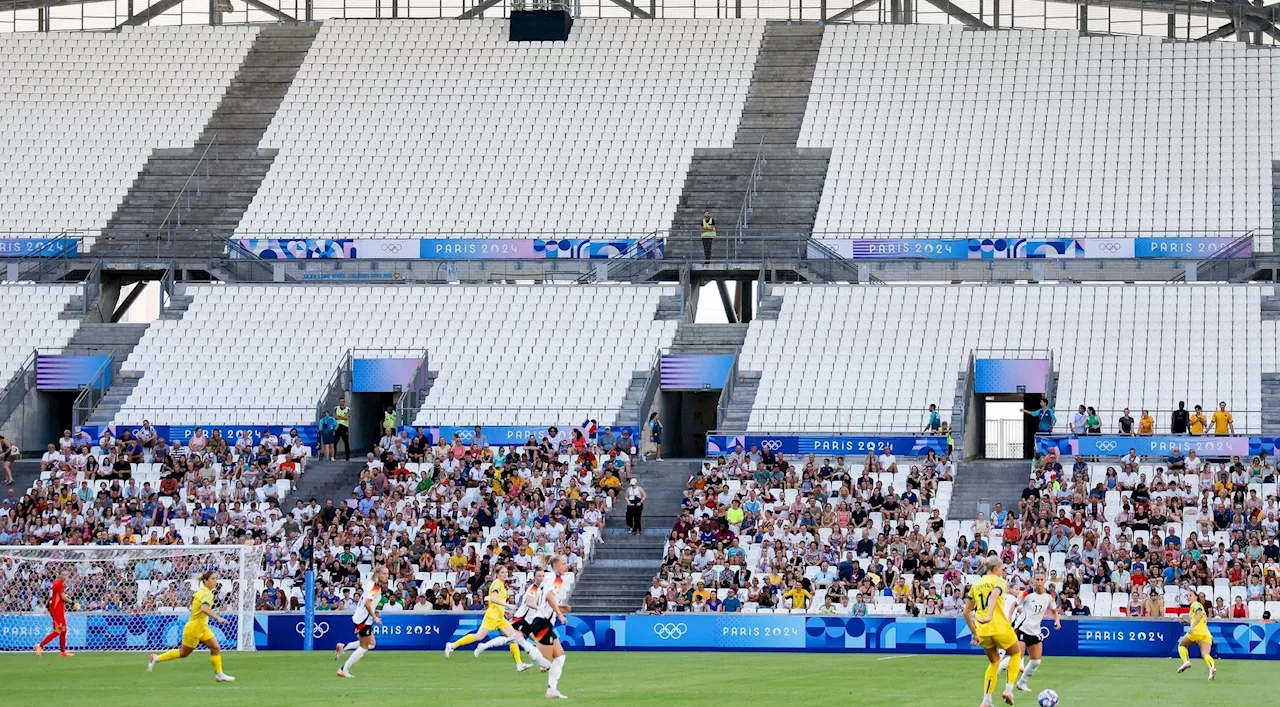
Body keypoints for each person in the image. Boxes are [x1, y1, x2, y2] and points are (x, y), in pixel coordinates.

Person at [443, 566, 544, 672]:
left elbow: (496, 602)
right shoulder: (497, 584)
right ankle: (452, 645)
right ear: (497, 574)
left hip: (499, 617)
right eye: (502, 572)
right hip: (492, 616)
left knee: (513, 637)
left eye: (506, 572)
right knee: (479, 636)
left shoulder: (501, 584)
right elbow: (494, 599)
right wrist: (508, 606)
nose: (505, 574)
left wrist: (505, 611)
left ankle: (519, 664)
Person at [148, 571, 235, 682]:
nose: (215, 581)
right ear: (205, 581)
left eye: (216, 578)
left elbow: (192, 601)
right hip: (194, 628)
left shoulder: (200, 592)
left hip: (203, 627)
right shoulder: (208, 594)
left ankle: (219, 674)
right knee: (183, 653)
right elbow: (204, 608)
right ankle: (156, 658)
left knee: (215, 647)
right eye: (213, 578)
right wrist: (218, 618)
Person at [965, 556, 1021, 707]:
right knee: (1016, 653)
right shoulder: (999, 581)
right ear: (996, 568)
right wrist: (990, 614)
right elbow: (994, 595)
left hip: (983, 630)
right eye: (1001, 569)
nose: (1002, 572)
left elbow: (966, 612)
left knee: (994, 662)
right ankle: (1009, 689)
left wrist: (975, 632)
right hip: (999, 626)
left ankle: (986, 700)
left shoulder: (976, 585)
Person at [472, 570, 552, 670]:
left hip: (529, 620)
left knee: (513, 639)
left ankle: (483, 646)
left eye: (543, 576)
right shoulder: (533, 589)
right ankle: (544, 665)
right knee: (523, 641)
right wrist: (542, 609)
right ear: (535, 578)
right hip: (522, 619)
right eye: (539, 576)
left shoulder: (541, 589)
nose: (542, 578)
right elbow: (529, 602)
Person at [999, 572, 1060, 692]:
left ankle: (1022, 683)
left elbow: (1054, 610)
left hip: (1035, 631)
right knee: (1018, 657)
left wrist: (1057, 621)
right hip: (1022, 628)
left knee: (1036, 661)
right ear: (1033, 580)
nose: (1039, 582)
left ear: (1045, 580)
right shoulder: (1027, 593)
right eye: (1037, 579)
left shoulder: (1049, 596)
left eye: (1042, 579)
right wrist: (1009, 621)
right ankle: (999, 670)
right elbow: (1014, 605)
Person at [528, 555, 571, 700]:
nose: (566, 566)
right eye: (564, 564)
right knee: (545, 664)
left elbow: (546, 600)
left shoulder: (549, 577)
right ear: (556, 565)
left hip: (542, 622)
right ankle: (518, 641)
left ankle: (551, 690)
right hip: (542, 623)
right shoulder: (557, 579)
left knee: (560, 656)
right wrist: (559, 614)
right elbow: (549, 597)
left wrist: (559, 606)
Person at [334, 565, 387, 677]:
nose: (386, 576)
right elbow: (367, 603)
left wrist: (374, 611)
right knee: (364, 647)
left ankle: (344, 646)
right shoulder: (376, 587)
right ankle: (343, 669)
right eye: (384, 574)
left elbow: (366, 603)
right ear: (378, 574)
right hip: (363, 619)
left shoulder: (371, 583)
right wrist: (375, 616)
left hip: (361, 617)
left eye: (387, 574)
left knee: (372, 644)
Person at [1177, 590, 1216, 680]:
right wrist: (1187, 623)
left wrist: (1192, 627)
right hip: (1205, 633)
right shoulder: (1199, 605)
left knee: (1182, 645)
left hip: (1196, 632)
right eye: (1187, 596)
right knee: (1205, 654)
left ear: (1196, 597)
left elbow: (1200, 615)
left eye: (1190, 595)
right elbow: (1199, 619)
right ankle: (1212, 668)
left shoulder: (1195, 604)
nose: (1188, 597)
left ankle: (1186, 661)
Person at [33, 572, 71, 657]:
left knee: (64, 630)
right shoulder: (59, 584)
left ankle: (63, 651)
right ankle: (40, 646)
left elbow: (54, 596)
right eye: (63, 575)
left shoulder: (56, 583)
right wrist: (73, 603)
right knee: (58, 631)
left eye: (66, 575)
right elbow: (63, 597)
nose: (65, 577)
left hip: (58, 609)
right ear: (60, 575)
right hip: (56, 610)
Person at [334, 397, 351, 461]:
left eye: (343, 401)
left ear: (344, 402)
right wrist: (343, 417)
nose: (341, 402)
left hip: (345, 427)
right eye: (340, 401)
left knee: (346, 442)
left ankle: (347, 457)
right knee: (335, 442)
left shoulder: (347, 409)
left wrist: (340, 417)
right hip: (338, 426)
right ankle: (334, 456)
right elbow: (335, 417)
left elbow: (347, 417)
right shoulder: (336, 408)